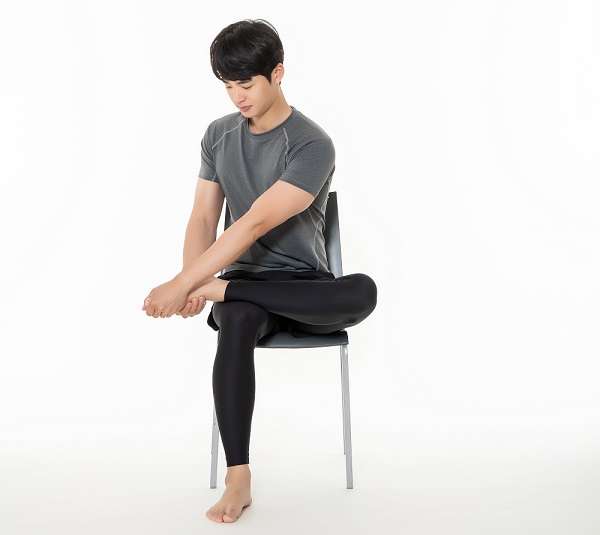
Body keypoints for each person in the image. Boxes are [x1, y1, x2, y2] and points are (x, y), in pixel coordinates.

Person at [141, 19, 377, 523]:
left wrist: (188, 284)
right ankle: (238, 478)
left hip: (303, 289)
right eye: (228, 86)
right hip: (243, 287)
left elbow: (254, 222)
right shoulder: (218, 135)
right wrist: (196, 283)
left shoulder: (312, 144)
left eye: (246, 84)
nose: (237, 97)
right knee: (240, 317)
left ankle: (225, 291)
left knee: (362, 291)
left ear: (278, 73)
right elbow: (203, 217)